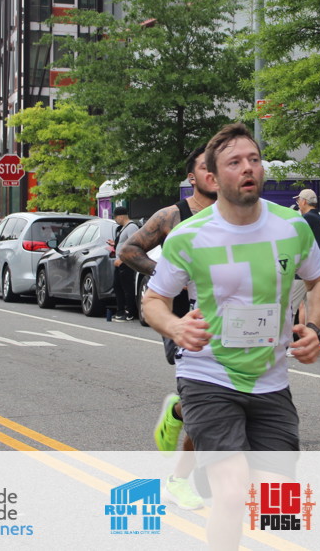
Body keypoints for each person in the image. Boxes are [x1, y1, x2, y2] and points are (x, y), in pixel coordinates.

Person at [142, 123, 320, 549]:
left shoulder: (292, 227)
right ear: (212, 177)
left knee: (278, 504)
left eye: (254, 159)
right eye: (234, 162)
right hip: (208, 374)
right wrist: (175, 326)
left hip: (271, 380)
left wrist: (314, 328)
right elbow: (153, 300)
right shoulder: (188, 236)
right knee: (231, 493)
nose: (248, 168)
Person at [121, 144, 218, 511]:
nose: (214, 172)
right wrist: (165, 274)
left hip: (228, 321)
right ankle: (180, 480)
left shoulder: (237, 215)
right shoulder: (172, 216)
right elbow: (128, 250)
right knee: (207, 402)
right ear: (192, 177)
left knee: (218, 400)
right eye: (205, 167)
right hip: (181, 319)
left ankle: (179, 411)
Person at [291, 188, 320, 328]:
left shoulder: (306, 219)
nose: (298, 204)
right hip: (314, 271)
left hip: (301, 271)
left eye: (298, 200)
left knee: (289, 308)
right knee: (310, 310)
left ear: (304, 201)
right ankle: (311, 337)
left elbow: (297, 242)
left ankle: (286, 339)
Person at [108, 206, 140, 322]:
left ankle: (129, 312)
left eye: (116, 217)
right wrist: (114, 244)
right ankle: (120, 311)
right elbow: (124, 242)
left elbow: (134, 245)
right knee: (118, 286)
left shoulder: (131, 227)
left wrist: (122, 259)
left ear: (121, 216)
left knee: (127, 288)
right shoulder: (124, 228)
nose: (115, 220)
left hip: (126, 263)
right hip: (120, 263)